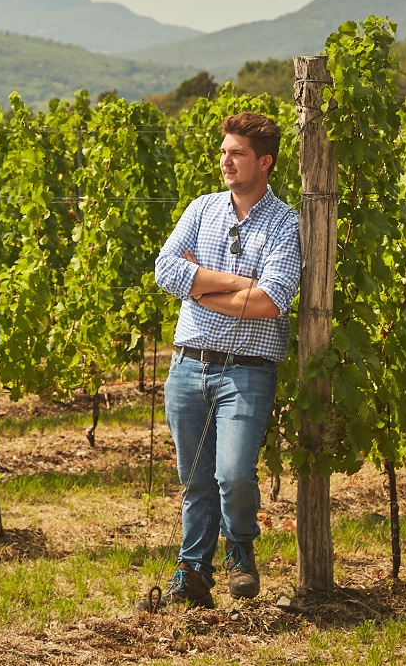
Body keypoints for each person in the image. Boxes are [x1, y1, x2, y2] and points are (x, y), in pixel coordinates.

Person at [144, 111, 301, 610]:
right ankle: (192, 573)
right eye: (224, 152)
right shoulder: (201, 209)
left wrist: (199, 285)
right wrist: (236, 283)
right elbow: (165, 271)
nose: (225, 161)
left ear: (265, 162)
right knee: (194, 481)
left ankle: (240, 546)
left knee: (232, 473)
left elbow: (271, 301)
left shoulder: (286, 223)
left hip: (247, 369)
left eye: (237, 153)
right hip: (188, 365)